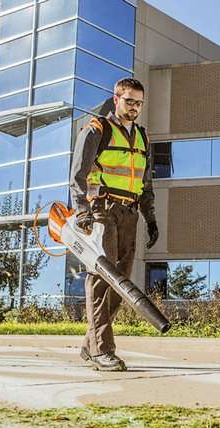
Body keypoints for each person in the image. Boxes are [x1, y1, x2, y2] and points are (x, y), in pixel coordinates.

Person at [70, 78, 158, 371]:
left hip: (130, 213)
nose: (134, 108)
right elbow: (78, 176)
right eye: (129, 101)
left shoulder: (143, 138)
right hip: (102, 212)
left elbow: (145, 185)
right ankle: (101, 350)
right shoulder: (97, 130)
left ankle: (90, 343)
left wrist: (151, 217)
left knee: (122, 285)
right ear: (116, 98)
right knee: (100, 280)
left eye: (139, 103)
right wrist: (82, 211)